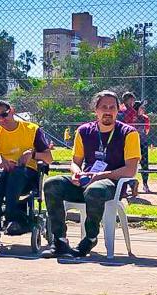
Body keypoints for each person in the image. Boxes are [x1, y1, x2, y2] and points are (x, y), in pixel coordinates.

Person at [42, 90, 141, 258]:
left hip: (111, 185)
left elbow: (130, 170)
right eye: (103, 107)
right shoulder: (83, 131)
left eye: (112, 107)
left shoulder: (129, 133)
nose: (108, 111)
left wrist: (99, 176)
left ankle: (90, 238)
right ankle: (59, 241)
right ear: (95, 110)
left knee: (95, 189)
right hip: (85, 181)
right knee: (51, 184)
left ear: (118, 110)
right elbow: (75, 162)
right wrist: (77, 173)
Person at [0, 100, 53, 235]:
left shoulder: (32, 130)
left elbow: (49, 158)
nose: (1, 119)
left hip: (26, 176)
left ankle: (14, 218)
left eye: (4, 115)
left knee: (16, 172)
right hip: (2, 173)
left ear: (12, 111)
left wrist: (32, 154)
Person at [134, 100, 151, 194]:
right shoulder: (132, 117)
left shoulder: (145, 118)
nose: (143, 109)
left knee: (144, 163)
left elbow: (147, 130)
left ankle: (145, 183)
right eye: (141, 107)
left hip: (142, 142)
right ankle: (131, 184)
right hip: (133, 143)